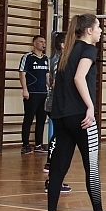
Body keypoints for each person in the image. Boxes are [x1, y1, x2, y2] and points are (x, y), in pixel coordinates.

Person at [41, 14, 106, 211]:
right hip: (81, 118)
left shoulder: (67, 51)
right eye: (98, 27)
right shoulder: (88, 49)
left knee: (58, 169)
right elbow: (79, 78)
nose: (101, 31)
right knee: (91, 168)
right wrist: (90, 106)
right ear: (89, 31)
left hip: (61, 117)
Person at [43, 31, 71, 194]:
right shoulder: (59, 60)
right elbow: (55, 83)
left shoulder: (58, 59)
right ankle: (52, 178)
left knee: (60, 139)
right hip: (56, 104)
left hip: (57, 104)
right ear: (62, 45)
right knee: (59, 140)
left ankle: (53, 177)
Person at [19, 35, 49, 155]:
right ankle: (25, 145)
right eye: (41, 42)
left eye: (44, 42)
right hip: (31, 93)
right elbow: (22, 73)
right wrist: (25, 89)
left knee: (41, 119)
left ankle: (38, 144)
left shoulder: (45, 58)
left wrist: (51, 86)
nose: (43, 44)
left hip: (43, 93)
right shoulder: (28, 57)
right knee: (28, 119)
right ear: (34, 44)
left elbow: (47, 75)